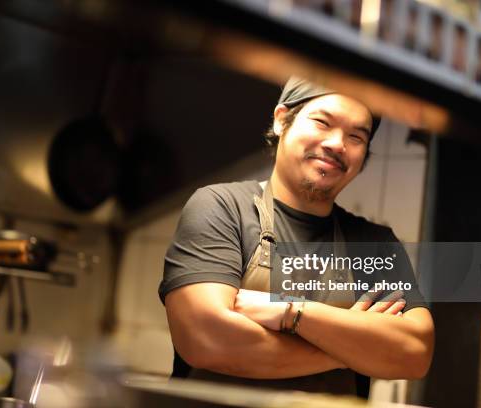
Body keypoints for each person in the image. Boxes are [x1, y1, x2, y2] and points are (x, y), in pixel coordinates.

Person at [158, 77, 434, 398]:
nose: (336, 144)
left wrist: (291, 312)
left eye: (356, 136)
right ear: (281, 121)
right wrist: (347, 351)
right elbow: (205, 339)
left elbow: (414, 353)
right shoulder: (222, 208)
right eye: (322, 122)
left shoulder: (373, 243)